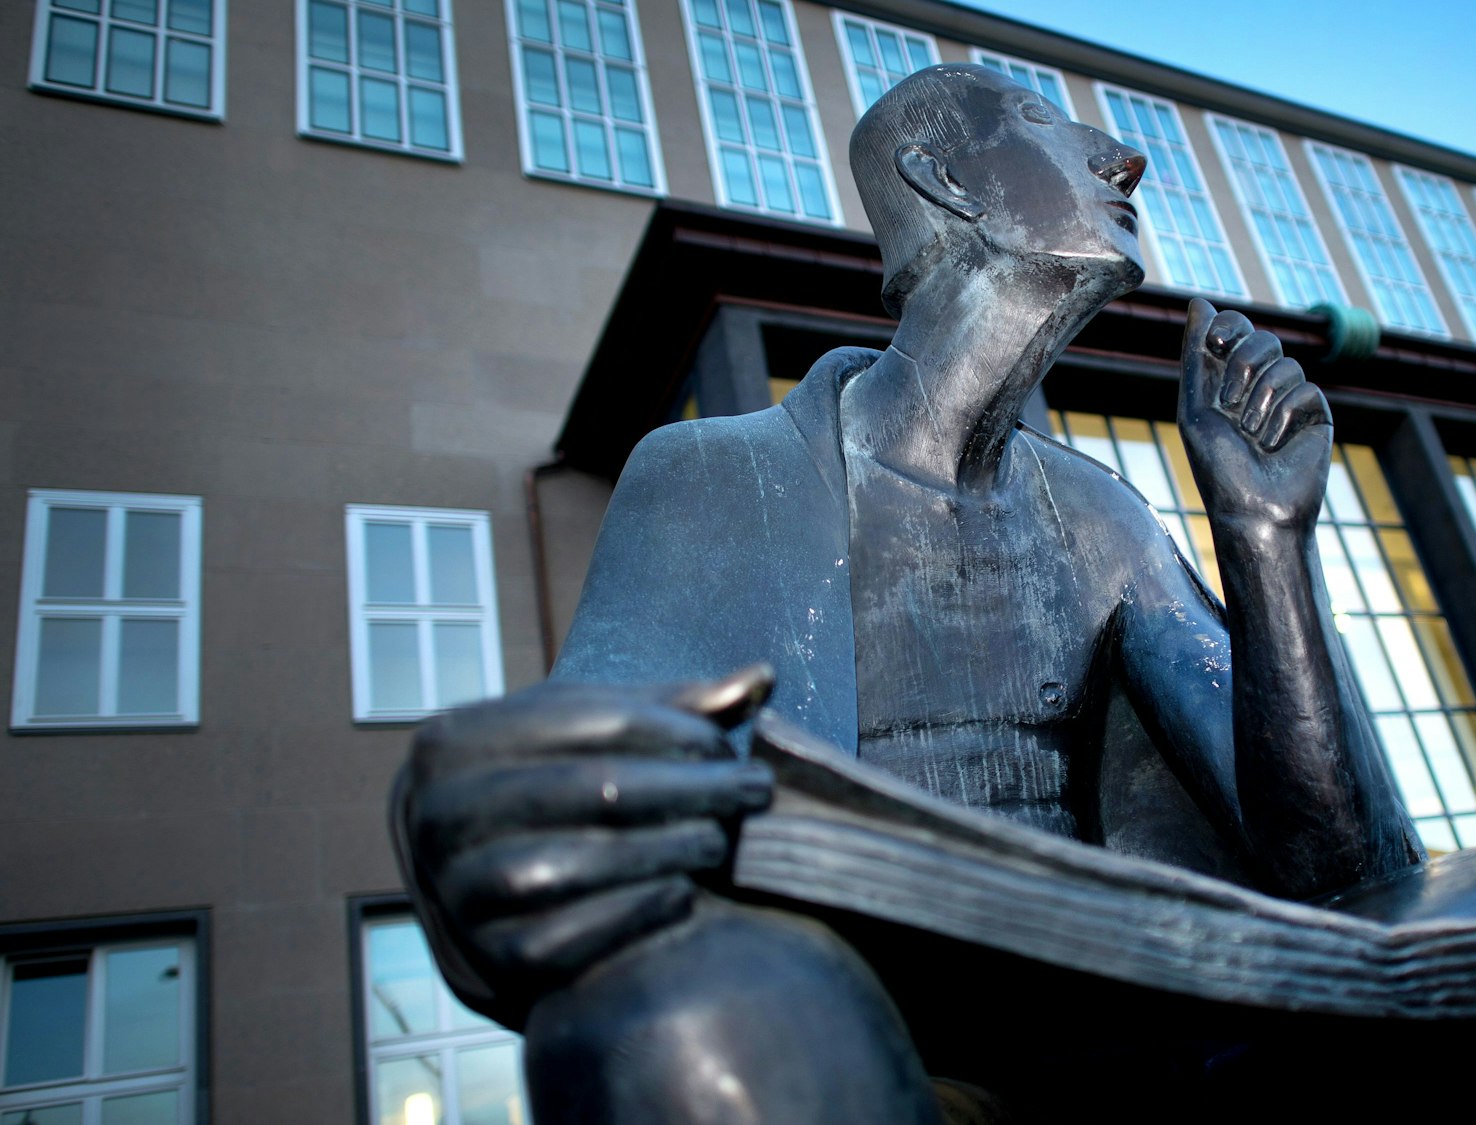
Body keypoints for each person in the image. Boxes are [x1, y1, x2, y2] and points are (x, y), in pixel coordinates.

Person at [393, 63, 1418, 1123]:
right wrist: (482, 809)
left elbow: (1334, 872)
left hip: (1141, 1052)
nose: (1121, 159)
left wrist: (1265, 542)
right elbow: (592, 759)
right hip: (876, 1063)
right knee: (676, 1024)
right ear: (944, 182)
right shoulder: (709, 479)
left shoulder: (1100, 518)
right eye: (1040, 126)